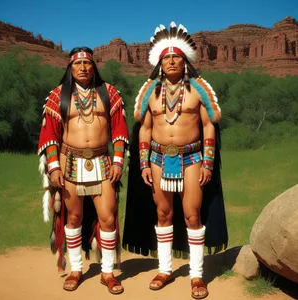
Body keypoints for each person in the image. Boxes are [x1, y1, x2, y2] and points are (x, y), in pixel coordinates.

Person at [123, 22, 228, 299]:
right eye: (167, 58)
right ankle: (165, 269)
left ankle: (196, 276)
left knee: (193, 215)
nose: (171, 62)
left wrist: (207, 163)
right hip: (158, 158)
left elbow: (208, 126)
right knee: (163, 214)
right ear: (159, 62)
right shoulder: (151, 92)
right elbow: (144, 129)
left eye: (177, 57)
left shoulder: (197, 90)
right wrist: (143, 163)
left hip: (192, 157)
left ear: (185, 61)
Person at [38, 47, 128, 294]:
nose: (83, 68)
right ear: (70, 67)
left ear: (93, 66)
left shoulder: (109, 93)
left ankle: (107, 272)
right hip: (70, 163)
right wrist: (54, 167)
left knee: (108, 217)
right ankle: (76, 269)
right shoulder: (58, 96)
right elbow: (50, 135)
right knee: (73, 217)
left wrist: (119, 161)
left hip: (102, 162)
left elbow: (119, 130)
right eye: (78, 64)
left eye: (88, 63)